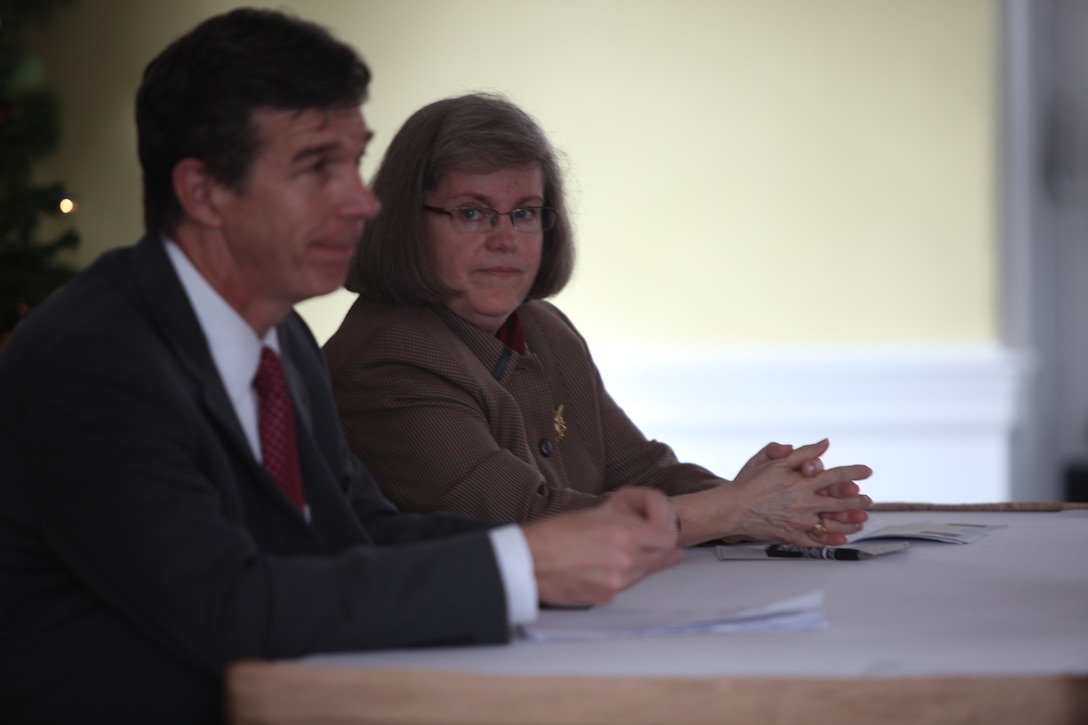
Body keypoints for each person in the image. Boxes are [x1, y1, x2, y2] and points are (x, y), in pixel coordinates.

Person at [0, 11, 683, 723]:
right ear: (203, 192)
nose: (362, 201)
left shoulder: (283, 339)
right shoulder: (93, 357)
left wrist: (544, 545)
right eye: (316, 167)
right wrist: (523, 567)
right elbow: (228, 610)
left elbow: (361, 534)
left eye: (355, 161)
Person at [324, 92, 874, 548]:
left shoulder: (544, 327)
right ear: (405, 223)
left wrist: (769, 499)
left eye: (525, 213)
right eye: (472, 212)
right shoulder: (388, 357)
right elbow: (526, 521)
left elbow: (639, 470)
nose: (506, 240)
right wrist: (732, 511)